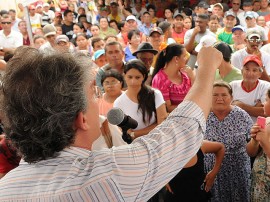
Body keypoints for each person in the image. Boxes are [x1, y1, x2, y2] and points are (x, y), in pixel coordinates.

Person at [0, 45, 223, 200]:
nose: (99, 99)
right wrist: (206, 69)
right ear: (82, 119)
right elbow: (184, 128)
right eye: (93, 94)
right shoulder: (106, 175)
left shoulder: (6, 189)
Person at [204, 81, 253, 202]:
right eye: (215, 95)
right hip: (211, 172)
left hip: (238, 170)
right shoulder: (203, 115)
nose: (219, 98)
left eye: (224, 95)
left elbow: (252, 140)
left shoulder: (241, 115)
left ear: (231, 97)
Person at [114, 59, 167, 139]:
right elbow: (125, 131)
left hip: (157, 141)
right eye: (130, 77)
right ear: (124, 76)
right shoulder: (118, 103)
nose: (133, 81)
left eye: (137, 77)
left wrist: (135, 134)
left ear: (144, 77)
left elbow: (162, 123)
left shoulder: (155, 94)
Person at [152, 43, 195, 113]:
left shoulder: (186, 74)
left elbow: (196, 96)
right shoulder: (160, 79)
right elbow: (167, 108)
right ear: (176, 59)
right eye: (184, 56)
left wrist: (192, 77)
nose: (186, 59)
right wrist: (189, 108)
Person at [230, 55, 270, 122]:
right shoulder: (232, 86)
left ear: (260, 74)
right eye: (247, 69)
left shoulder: (266, 86)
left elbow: (266, 112)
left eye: (254, 70)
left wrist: (241, 106)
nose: (250, 73)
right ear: (242, 71)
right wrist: (255, 108)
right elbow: (226, 109)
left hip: (258, 128)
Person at [247, 88, 270, 201]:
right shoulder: (265, 122)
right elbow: (251, 153)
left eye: (266, 100)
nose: (263, 103)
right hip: (259, 183)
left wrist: (265, 142)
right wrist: (255, 141)